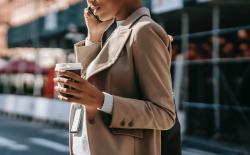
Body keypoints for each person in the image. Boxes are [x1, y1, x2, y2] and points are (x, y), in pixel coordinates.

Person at [54, 0, 181, 154]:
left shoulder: (144, 31)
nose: (90, 1)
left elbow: (165, 114)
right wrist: (94, 37)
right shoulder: (120, 31)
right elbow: (92, 83)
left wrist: (101, 100)